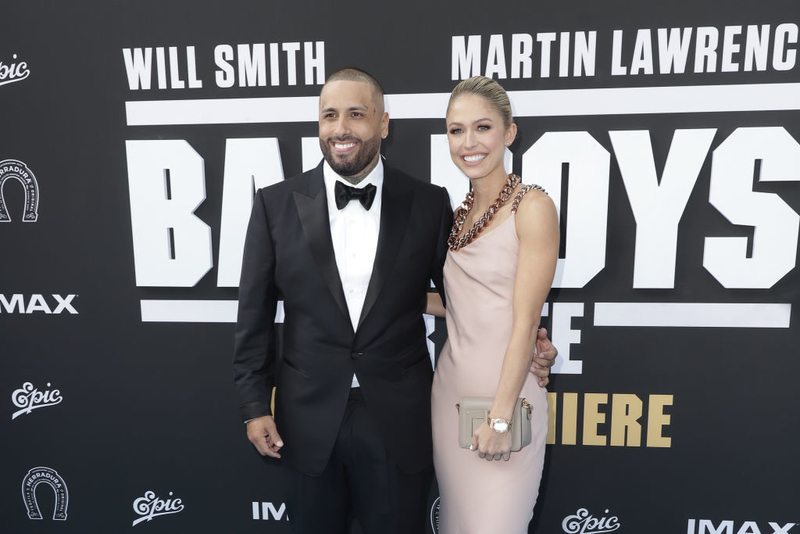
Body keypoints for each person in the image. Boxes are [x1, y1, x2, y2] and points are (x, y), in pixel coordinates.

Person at [233, 68, 557, 534]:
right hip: (307, 417)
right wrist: (254, 404)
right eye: (329, 115)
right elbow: (254, 316)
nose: (341, 128)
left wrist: (531, 344)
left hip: (400, 417)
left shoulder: (429, 203)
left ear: (383, 124)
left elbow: (475, 295)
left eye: (356, 114)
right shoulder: (274, 204)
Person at [429, 76, 560, 533]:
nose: (469, 143)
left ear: (509, 132)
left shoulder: (533, 207)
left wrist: (501, 418)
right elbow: (464, 302)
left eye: (482, 128)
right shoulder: (457, 216)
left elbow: (525, 323)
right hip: (451, 396)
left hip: (506, 403)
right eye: (456, 130)